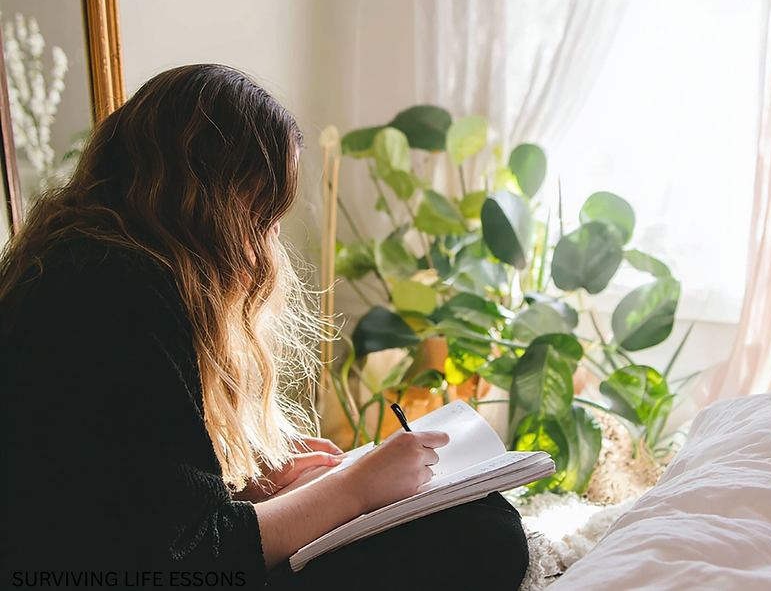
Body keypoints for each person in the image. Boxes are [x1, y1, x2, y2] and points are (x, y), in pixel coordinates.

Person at [0, 64, 529, 590]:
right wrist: (355, 489)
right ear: (208, 196)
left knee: (476, 520)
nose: (268, 240)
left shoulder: (82, 266)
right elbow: (191, 560)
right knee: (481, 533)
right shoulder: (122, 292)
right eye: (263, 211)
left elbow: (126, 490)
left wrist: (244, 480)